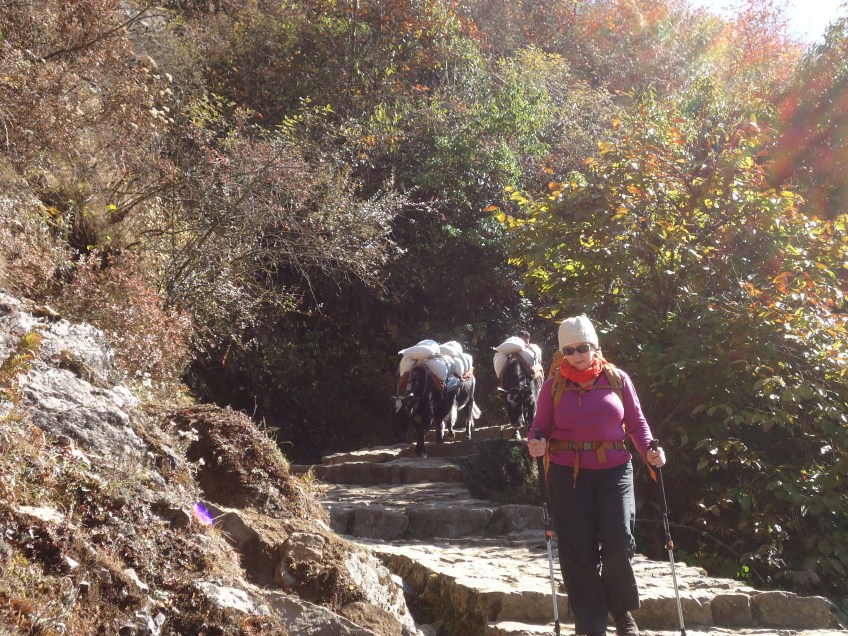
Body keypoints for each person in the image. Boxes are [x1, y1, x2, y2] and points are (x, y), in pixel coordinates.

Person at [527, 315, 666, 636]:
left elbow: (637, 423)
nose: (576, 355)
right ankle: (590, 625)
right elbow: (540, 426)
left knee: (620, 541)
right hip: (566, 474)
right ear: (562, 352)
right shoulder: (552, 386)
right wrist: (535, 441)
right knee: (577, 549)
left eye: (583, 347)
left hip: (614, 471)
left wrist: (650, 450)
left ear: (595, 346)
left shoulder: (617, 379)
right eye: (569, 350)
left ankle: (621, 613)